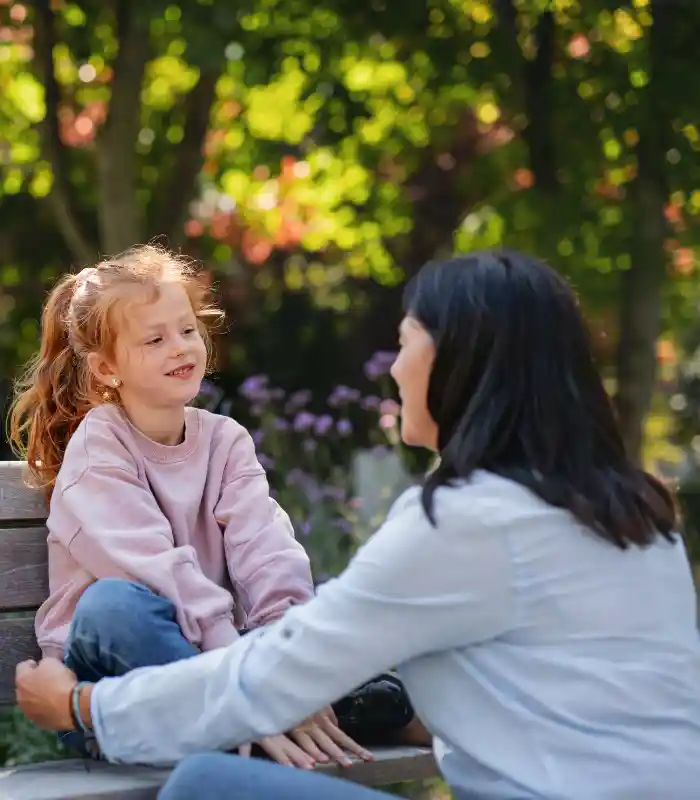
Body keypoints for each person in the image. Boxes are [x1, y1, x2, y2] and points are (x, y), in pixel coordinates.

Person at [16, 249, 700, 800]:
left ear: (465, 371)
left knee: (206, 785)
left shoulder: (464, 524)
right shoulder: (641, 514)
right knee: (126, 620)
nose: (395, 368)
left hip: (200, 675)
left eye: (407, 344)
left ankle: (320, 717)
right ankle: (349, 708)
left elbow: (284, 625)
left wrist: (80, 709)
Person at [8, 243, 387, 768]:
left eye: (187, 330)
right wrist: (245, 686)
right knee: (114, 605)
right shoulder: (99, 447)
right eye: (155, 339)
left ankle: (288, 712)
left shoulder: (225, 440)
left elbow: (268, 553)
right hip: (117, 678)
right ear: (106, 368)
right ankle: (257, 719)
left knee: (342, 626)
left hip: (220, 659)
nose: (180, 348)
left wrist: (285, 662)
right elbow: (155, 573)